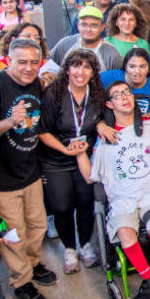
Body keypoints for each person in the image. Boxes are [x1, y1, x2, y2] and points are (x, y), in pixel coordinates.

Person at [75, 80, 150, 299]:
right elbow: (91, 176)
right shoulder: (106, 138)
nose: (125, 97)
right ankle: (149, 280)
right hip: (123, 199)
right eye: (118, 95)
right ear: (109, 104)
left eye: (127, 92)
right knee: (125, 232)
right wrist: (79, 154)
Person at [0, 38, 55, 299]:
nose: (28, 68)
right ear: (8, 59)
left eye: (34, 62)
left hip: (30, 170)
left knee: (38, 225)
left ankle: (32, 265)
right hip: (1, 176)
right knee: (13, 233)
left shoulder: (34, 81)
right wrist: (10, 121)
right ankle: (21, 282)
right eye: (22, 62)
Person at [38, 50, 104, 274]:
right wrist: (65, 149)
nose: (80, 72)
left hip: (83, 158)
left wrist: (101, 125)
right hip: (55, 159)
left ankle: (85, 245)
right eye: (76, 66)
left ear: (93, 71)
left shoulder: (96, 95)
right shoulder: (53, 95)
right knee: (62, 207)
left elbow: (101, 120)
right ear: (67, 69)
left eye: (87, 67)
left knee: (86, 203)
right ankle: (69, 249)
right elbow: (43, 132)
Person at [47, 6, 124, 75]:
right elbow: (48, 69)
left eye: (94, 25)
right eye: (84, 25)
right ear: (78, 25)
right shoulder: (65, 44)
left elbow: (117, 82)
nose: (88, 29)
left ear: (102, 27)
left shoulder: (112, 54)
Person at [100, 48, 150, 120]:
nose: (137, 71)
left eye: (142, 66)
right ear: (125, 66)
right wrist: (100, 123)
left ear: (148, 68)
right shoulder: (108, 77)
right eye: (132, 66)